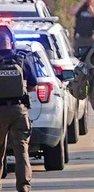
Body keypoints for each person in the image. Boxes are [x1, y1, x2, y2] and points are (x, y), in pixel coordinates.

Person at [0, 25, 37, 192]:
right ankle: (23, 185)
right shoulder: (21, 58)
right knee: (21, 148)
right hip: (18, 111)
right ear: (11, 42)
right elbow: (33, 86)